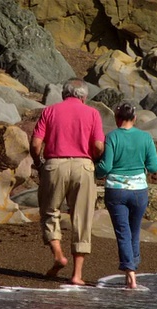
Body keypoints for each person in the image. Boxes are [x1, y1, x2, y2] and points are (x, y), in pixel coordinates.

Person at [30, 78, 105, 285]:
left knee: (49, 211)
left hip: (54, 164)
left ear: (64, 94)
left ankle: (58, 254)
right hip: (83, 166)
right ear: (84, 96)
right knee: (82, 218)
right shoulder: (92, 113)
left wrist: (39, 163)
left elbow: (36, 144)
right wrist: (93, 159)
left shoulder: (50, 111)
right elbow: (99, 146)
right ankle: (77, 275)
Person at [96, 102, 157, 289]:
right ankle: (132, 270)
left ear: (117, 118)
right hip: (139, 191)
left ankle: (130, 273)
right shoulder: (145, 137)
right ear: (135, 118)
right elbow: (155, 167)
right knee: (134, 231)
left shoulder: (112, 137)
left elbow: (106, 167)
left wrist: (95, 172)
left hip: (116, 190)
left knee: (123, 232)